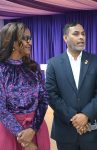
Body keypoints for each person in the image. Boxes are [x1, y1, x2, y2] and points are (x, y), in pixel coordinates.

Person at [46, 22, 97, 150]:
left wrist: (86, 115)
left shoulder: (96, 61)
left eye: (83, 34)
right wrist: (74, 117)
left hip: (92, 132)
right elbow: (51, 94)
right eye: (76, 34)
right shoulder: (53, 63)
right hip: (65, 132)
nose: (82, 37)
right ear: (65, 38)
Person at [0, 22, 50, 150]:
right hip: (10, 132)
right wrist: (23, 137)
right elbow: (1, 109)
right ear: (12, 41)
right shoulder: (1, 69)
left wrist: (33, 129)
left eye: (30, 38)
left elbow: (44, 99)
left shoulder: (33, 67)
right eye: (25, 38)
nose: (30, 42)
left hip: (36, 128)